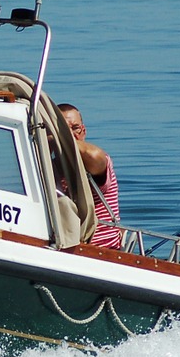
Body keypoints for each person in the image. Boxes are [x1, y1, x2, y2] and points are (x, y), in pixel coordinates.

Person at [57, 103, 121, 248]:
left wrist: (62, 138)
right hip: (64, 244)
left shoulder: (97, 162)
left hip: (103, 248)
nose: (71, 134)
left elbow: (94, 156)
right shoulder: (48, 165)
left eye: (75, 128)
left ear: (83, 131)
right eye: (63, 129)